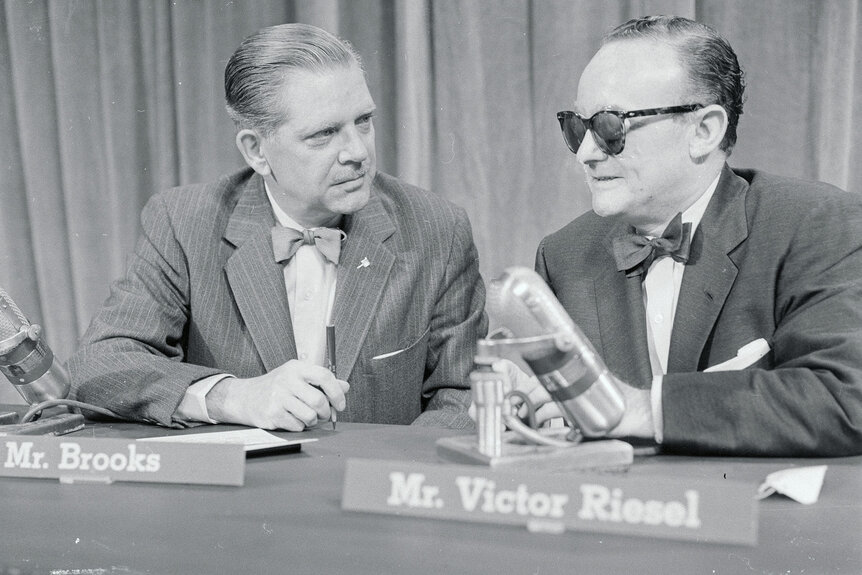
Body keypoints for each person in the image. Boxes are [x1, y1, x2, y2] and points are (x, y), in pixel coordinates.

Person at [68, 23, 487, 431]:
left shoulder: (436, 229)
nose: (357, 151)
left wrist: (387, 479)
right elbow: (102, 363)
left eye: (363, 121)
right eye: (324, 134)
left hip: (377, 491)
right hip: (245, 494)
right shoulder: (183, 223)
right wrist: (233, 397)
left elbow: (465, 393)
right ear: (257, 151)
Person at [516, 15, 862, 456]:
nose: (586, 153)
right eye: (577, 128)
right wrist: (525, 410)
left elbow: (844, 396)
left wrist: (644, 410)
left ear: (704, 131)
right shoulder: (562, 255)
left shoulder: (818, 224)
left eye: (610, 126)